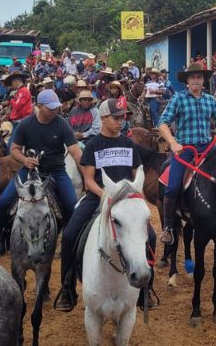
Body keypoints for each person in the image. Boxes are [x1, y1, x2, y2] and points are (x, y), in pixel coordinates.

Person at [55, 98, 157, 311]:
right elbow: (89, 180)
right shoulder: (93, 144)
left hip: (126, 200)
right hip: (98, 197)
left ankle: (146, 289)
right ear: (103, 118)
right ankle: (67, 286)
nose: (122, 121)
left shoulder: (129, 144)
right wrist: (106, 196)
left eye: (124, 117)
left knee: (152, 237)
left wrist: (132, 197)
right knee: (70, 234)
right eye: (117, 117)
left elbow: (135, 174)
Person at [0, 89, 82, 256]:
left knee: (72, 205)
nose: (55, 110)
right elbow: (15, 149)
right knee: (3, 203)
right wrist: (25, 160)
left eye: (56, 107)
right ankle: (3, 238)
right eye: (51, 108)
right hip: (29, 170)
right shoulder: (26, 124)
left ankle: (68, 242)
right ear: (39, 106)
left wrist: (87, 173)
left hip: (56, 171)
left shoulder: (62, 124)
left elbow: (76, 152)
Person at [157, 62, 216, 244]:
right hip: (185, 149)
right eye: (192, 77)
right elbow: (163, 122)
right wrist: (173, 143)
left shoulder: (211, 100)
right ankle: (168, 226)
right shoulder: (178, 98)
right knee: (173, 186)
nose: (196, 80)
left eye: (199, 77)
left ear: (204, 80)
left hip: (208, 147)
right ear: (187, 81)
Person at [6, 71, 33, 138]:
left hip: (20, 120)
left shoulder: (23, 91)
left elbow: (17, 106)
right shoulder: (21, 91)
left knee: (12, 143)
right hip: (19, 120)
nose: (12, 85)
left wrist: (11, 100)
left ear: (16, 81)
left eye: (12, 83)